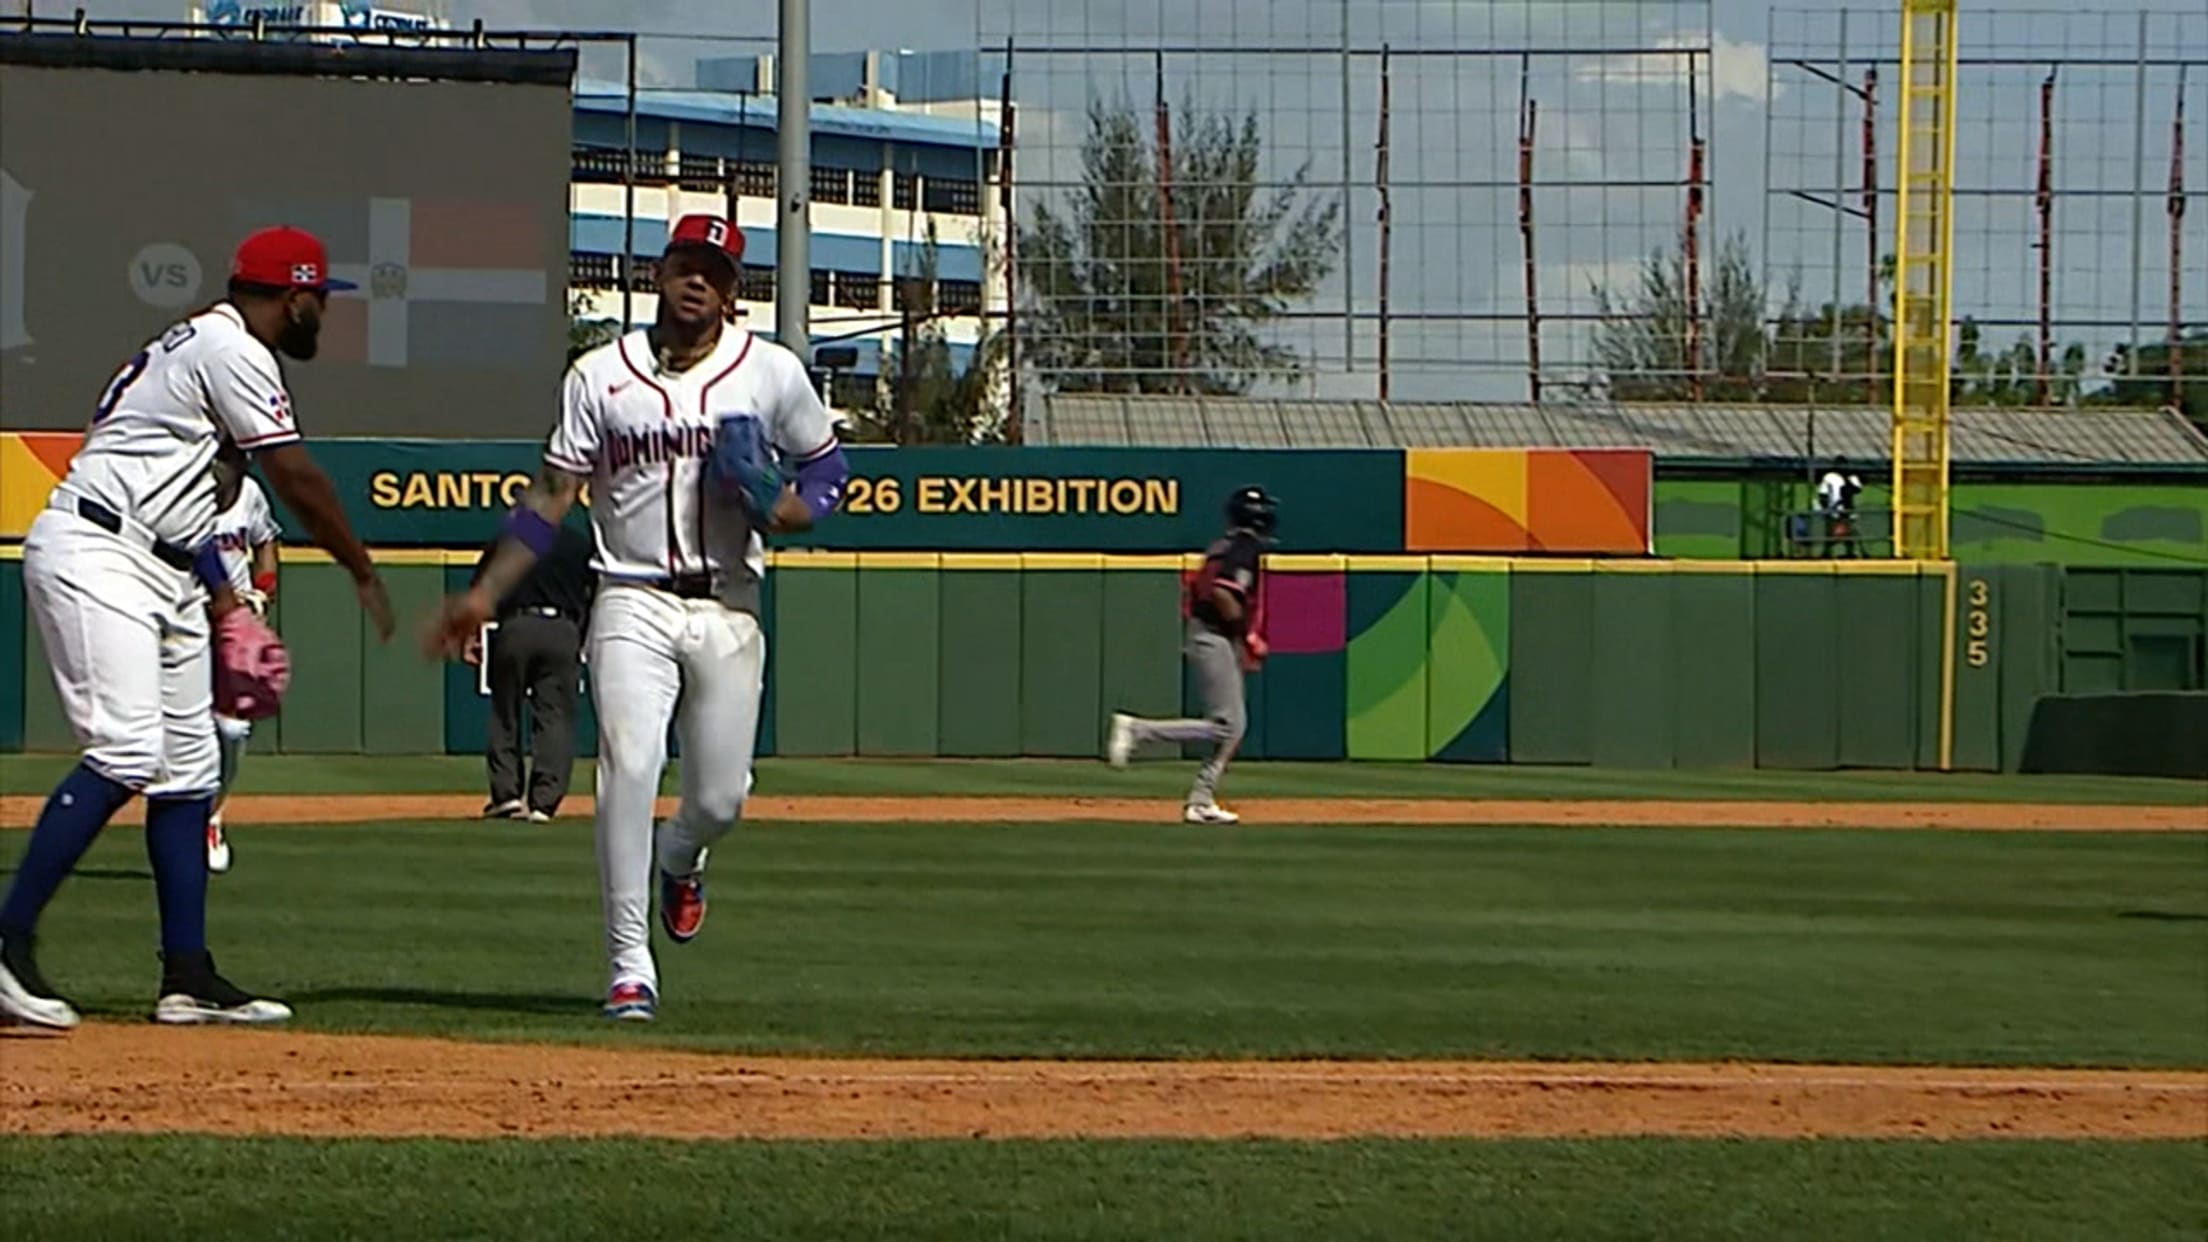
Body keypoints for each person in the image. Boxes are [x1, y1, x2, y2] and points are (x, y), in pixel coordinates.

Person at [427, 214, 849, 1023]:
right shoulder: (598, 375)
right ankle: (629, 964)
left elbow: (828, 462)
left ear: (733, 291)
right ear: (659, 273)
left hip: (728, 600)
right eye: (687, 263)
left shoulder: (769, 372)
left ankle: (681, 858)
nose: (699, 281)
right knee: (627, 763)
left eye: (716, 271)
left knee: (721, 798)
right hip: (630, 594)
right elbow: (552, 496)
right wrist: (485, 592)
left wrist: (797, 508)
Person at [0, 226, 394, 1031]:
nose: (322, 312)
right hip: (99, 549)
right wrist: (359, 565)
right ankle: (5, 945)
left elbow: (183, 503)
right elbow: (295, 475)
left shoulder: (202, 347)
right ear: (294, 296)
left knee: (189, 770)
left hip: (169, 563)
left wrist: (221, 597)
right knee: (126, 751)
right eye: (319, 298)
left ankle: (186, 975)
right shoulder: (234, 350)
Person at [1106, 486, 1276, 824]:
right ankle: (1139, 731)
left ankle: (1201, 799)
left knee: (1233, 725)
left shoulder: (1225, 545)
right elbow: (1222, 595)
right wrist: (1249, 636)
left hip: (1210, 636)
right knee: (1227, 727)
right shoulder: (1244, 547)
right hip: (1213, 636)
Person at [467, 519, 595, 823]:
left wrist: (472, 633)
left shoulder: (511, 538)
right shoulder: (578, 542)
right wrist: (582, 634)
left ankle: (507, 795)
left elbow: (481, 588)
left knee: (505, 712)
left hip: (516, 627)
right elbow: (596, 592)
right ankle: (543, 803)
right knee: (555, 717)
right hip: (563, 629)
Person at [203, 473, 283, 874]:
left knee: (233, 730)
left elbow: (266, 540)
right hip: (182, 615)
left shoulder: (249, 492)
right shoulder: (176, 485)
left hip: (232, 624)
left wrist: (263, 590)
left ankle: (213, 818)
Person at [1816, 457, 1865, 558]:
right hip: (1833, 510)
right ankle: (1826, 553)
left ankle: (1850, 552)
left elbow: (1857, 489)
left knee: (1850, 532)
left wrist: (1847, 480)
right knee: (1831, 532)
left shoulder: (1852, 478)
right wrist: (1826, 508)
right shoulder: (1830, 477)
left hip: (1848, 511)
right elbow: (1823, 493)